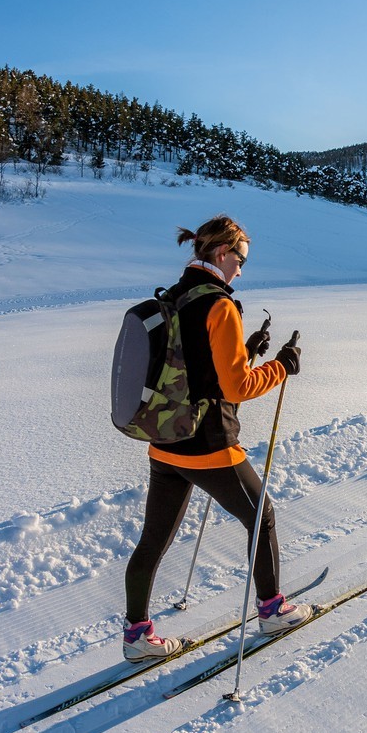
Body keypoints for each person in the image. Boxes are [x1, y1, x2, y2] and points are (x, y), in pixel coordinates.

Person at [122, 215, 309, 661]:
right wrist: (280, 366)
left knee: (153, 540)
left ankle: (136, 637)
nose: (242, 269)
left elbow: (196, 366)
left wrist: (248, 352)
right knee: (261, 516)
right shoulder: (221, 305)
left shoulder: (177, 293)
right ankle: (272, 610)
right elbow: (237, 388)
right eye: (240, 259)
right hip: (208, 445)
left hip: (165, 442)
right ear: (222, 253)